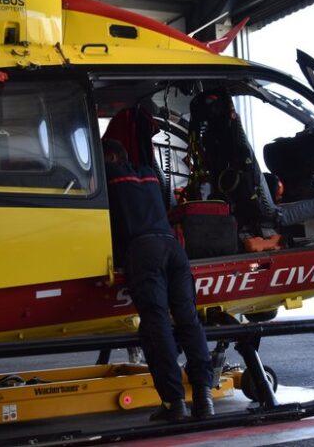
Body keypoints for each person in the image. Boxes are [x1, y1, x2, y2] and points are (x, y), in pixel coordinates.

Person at [102, 138, 214, 422]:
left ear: (110, 157)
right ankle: (204, 397)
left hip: (144, 250)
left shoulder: (108, 175)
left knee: (156, 324)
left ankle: (174, 402)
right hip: (173, 248)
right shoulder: (150, 174)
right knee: (188, 319)